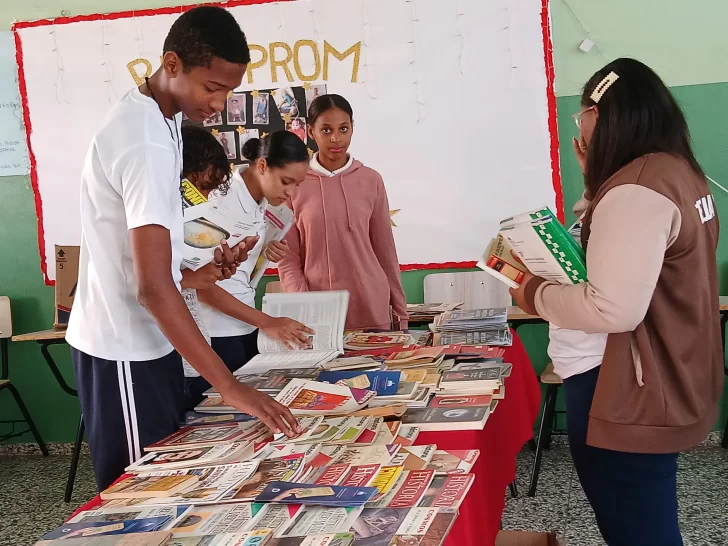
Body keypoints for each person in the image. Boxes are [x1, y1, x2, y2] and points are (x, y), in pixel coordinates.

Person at [66, 6, 300, 492]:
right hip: (123, 345)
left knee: (166, 486)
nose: (219, 103)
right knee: (135, 496)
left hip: (151, 339)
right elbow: (151, 289)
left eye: (229, 91)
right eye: (212, 87)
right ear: (171, 64)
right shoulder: (145, 139)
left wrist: (194, 276)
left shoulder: (165, 118)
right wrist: (231, 387)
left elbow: (146, 264)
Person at [510, 58, 723, 546]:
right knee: (642, 514)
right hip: (663, 373)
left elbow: (614, 309)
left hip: (624, 386)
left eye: (582, 117)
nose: (579, 132)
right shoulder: (677, 173)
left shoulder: (635, 190)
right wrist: (594, 180)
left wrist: (532, 293)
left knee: (636, 527)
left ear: (604, 118)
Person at [187, 131, 314, 408]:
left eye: (297, 184)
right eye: (286, 182)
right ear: (263, 166)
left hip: (243, 323)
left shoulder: (265, 203)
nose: (291, 193)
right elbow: (199, 284)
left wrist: (264, 255)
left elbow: (236, 269)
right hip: (215, 330)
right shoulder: (220, 197)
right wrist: (265, 321)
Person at [278, 94, 408, 330]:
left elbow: (386, 252)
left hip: (371, 306)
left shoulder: (371, 180)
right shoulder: (294, 182)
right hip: (318, 312)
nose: (336, 138)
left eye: (343, 129)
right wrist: (303, 307)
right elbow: (288, 260)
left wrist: (400, 313)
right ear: (311, 131)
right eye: (326, 130)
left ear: (352, 129)